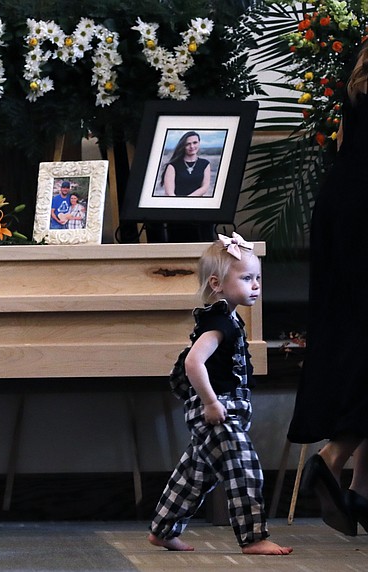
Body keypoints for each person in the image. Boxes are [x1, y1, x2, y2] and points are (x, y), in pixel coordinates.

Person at [148, 234, 292, 556]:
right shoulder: (218, 323)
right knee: (243, 467)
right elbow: (192, 362)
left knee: (196, 473)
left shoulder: (229, 318)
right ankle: (253, 538)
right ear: (217, 283)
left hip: (224, 408)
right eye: (246, 278)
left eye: (257, 278)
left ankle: (163, 529)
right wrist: (212, 403)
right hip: (217, 408)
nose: (255, 285)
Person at [287, 40, 368, 537]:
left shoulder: (358, 60)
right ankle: (334, 458)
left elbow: (342, 141)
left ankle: (360, 488)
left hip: (339, 203)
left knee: (352, 336)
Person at [160, 131, 211, 197]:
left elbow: (205, 187)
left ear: (199, 143)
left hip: (197, 203)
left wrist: (188, 199)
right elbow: (170, 193)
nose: (192, 146)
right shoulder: (172, 165)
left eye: (195, 143)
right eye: (188, 144)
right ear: (183, 146)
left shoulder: (205, 164)